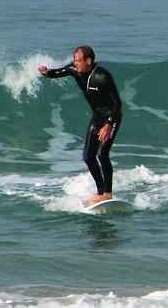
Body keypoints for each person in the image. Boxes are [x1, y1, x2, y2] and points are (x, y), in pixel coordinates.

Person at [38, 46, 122, 205]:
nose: (75, 63)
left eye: (78, 60)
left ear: (88, 61)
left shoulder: (103, 76)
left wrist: (109, 124)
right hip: (97, 117)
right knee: (88, 156)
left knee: (102, 154)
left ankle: (108, 193)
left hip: (111, 117)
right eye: (74, 60)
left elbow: (117, 104)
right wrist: (47, 73)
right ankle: (100, 192)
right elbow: (58, 73)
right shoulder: (74, 70)